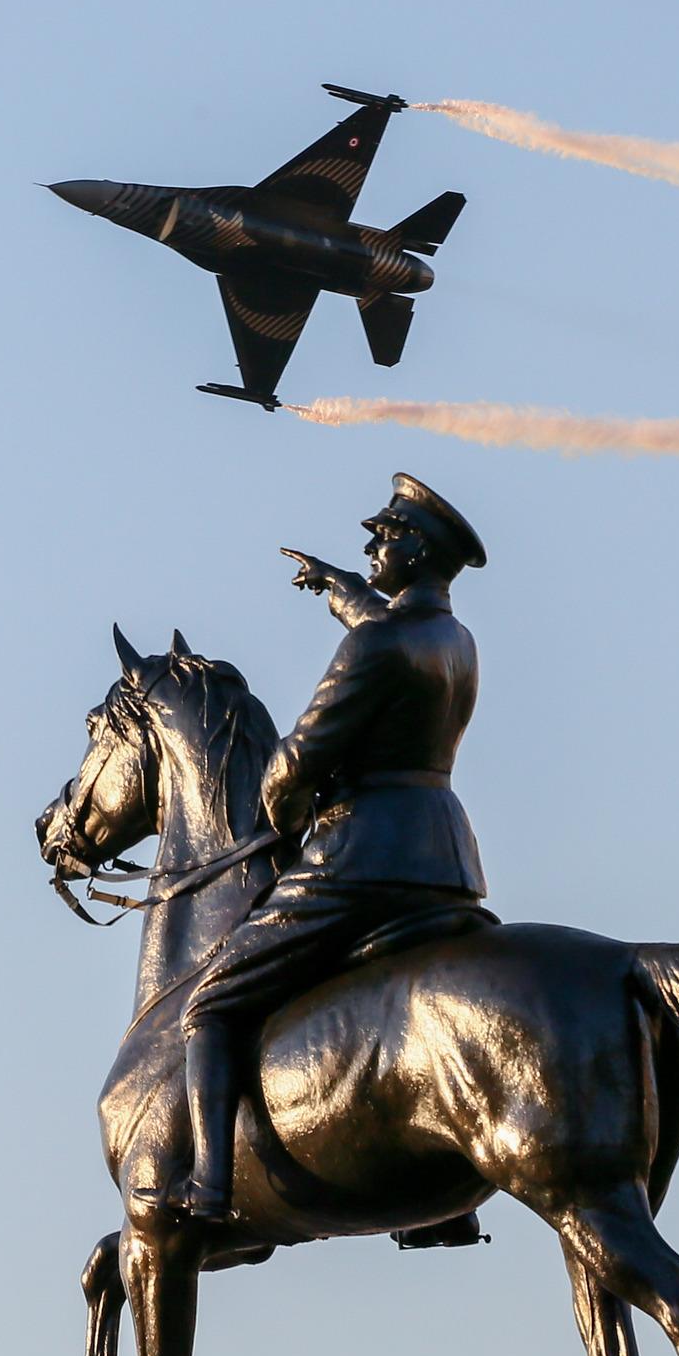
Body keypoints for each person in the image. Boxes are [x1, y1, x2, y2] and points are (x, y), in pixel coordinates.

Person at [170, 473, 491, 1225]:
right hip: (444, 863)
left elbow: (297, 761)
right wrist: (341, 590)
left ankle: (211, 1187)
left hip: (360, 861)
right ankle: (448, 1209)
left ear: (414, 549)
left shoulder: (374, 644)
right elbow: (392, 633)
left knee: (210, 1005)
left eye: (382, 537)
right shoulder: (455, 639)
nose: (371, 545)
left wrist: (280, 809)